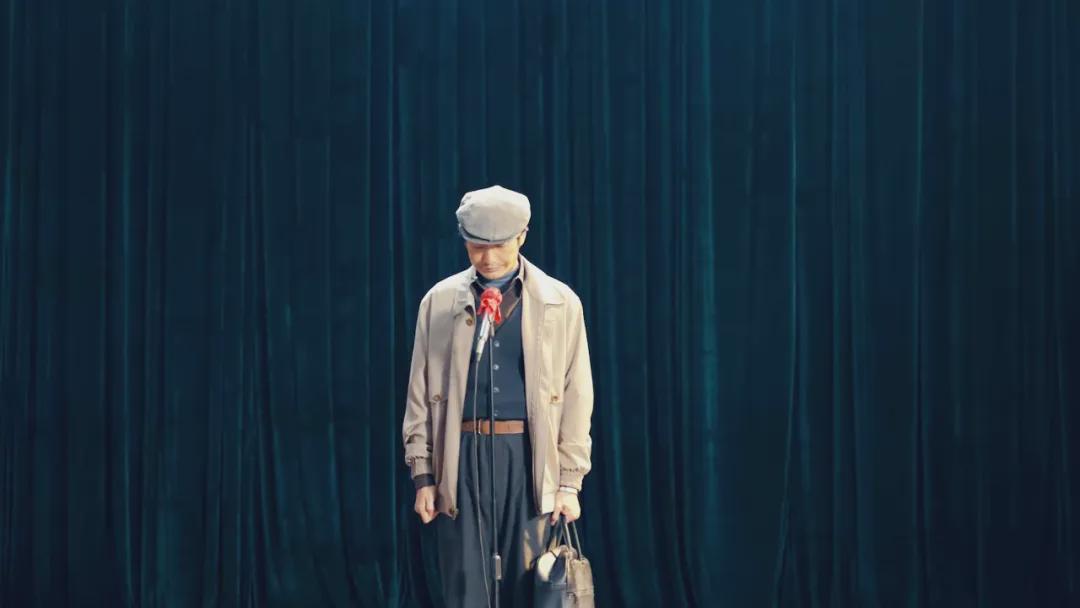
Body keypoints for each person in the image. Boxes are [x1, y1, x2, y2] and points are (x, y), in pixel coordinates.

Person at [402, 185, 594, 607]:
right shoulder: (439, 302)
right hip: (461, 456)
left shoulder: (560, 302)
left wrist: (569, 483)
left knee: (530, 581)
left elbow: (576, 395)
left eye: (499, 245)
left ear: (522, 236)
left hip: (529, 457)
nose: (488, 257)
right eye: (477, 246)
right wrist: (424, 476)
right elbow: (420, 393)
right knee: (465, 585)